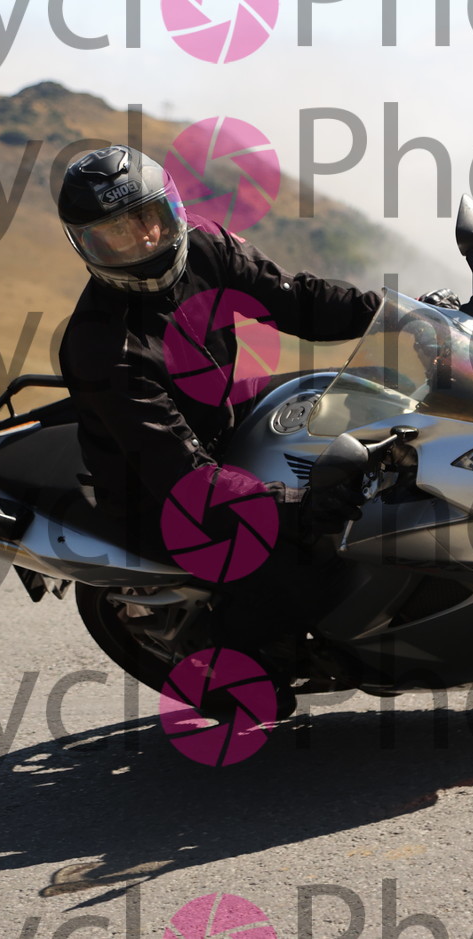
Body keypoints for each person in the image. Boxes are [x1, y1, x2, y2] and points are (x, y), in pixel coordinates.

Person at [54, 145, 381, 684]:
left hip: (223, 424)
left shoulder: (205, 245)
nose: (144, 241)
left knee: (345, 400)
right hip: (158, 496)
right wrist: (296, 504)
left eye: (149, 219)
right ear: (85, 245)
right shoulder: (103, 347)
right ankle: (234, 670)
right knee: (309, 565)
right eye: (116, 235)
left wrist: (396, 314)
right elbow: (182, 476)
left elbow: (297, 300)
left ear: (172, 210)